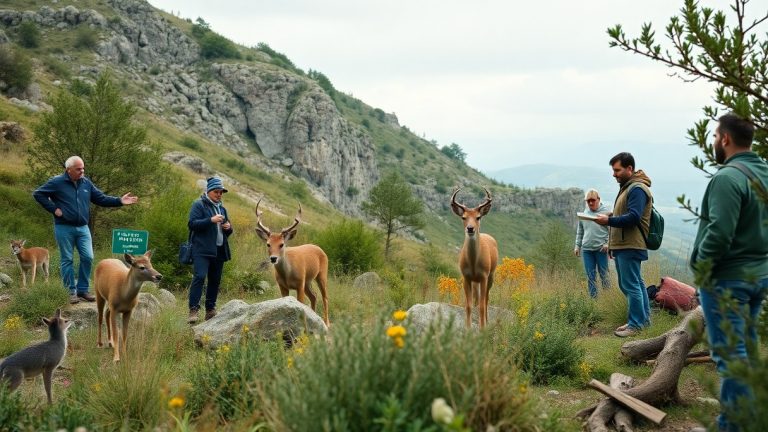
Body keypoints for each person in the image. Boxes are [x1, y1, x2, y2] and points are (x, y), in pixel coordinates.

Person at [688, 113, 768, 432]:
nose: (714, 142)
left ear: (724, 139)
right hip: (757, 278)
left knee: (731, 358)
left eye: (714, 136)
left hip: (727, 281)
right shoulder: (763, 171)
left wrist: (702, 267)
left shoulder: (727, 178)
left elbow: (720, 232)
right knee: (746, 352)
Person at [33, 156, 138, 304]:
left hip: (83, 228)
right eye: (78, 169)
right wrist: (54, 209)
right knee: (67, 259)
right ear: (68, 170)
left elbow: (101, 198)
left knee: (88, 257)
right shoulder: (57, 182)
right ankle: (70, 292)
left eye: (83, 168)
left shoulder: (86, 183)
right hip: (63, 227)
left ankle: (82, 290)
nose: (82, 171)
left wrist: (119, 201)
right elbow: (38, 194)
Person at [595, 152, 652, 337]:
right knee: (636, 283)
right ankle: (643, 321)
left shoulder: (636, 188)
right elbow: (627, 214)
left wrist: (608, 221)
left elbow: (634, 217)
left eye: (617, 170)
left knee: (630, 285)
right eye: (613, 170)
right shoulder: (629, 187)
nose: (614, 174)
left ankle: (635, 325)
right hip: (624, 244)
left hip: (631, 244)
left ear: (629, 169)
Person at [187, 177, 233, 324]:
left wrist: (228, 228)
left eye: (221, 192)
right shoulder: (198, 205)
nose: (219, 194)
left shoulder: (222, 208)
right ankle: (193, 310)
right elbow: (192, 224)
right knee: (200, 277)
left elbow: (227, 231)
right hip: (202, 249)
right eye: (216, 191)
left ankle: (210, 310)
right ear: (208, 191)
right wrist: (210, 220)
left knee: (215, 280)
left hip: (218, 250)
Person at [574, 189, 611, 298]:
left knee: (604, 275)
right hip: (587, 250)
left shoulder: (606, 212)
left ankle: (608, 300)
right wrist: (577, 246)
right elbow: (580, 231)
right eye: (588, 201)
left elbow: (613, 230)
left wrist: (608, 244)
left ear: (598, 199)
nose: (590, 203)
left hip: (601, 249)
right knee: (590, 276)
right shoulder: (584, 213)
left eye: (593, 200)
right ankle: (593, 301)